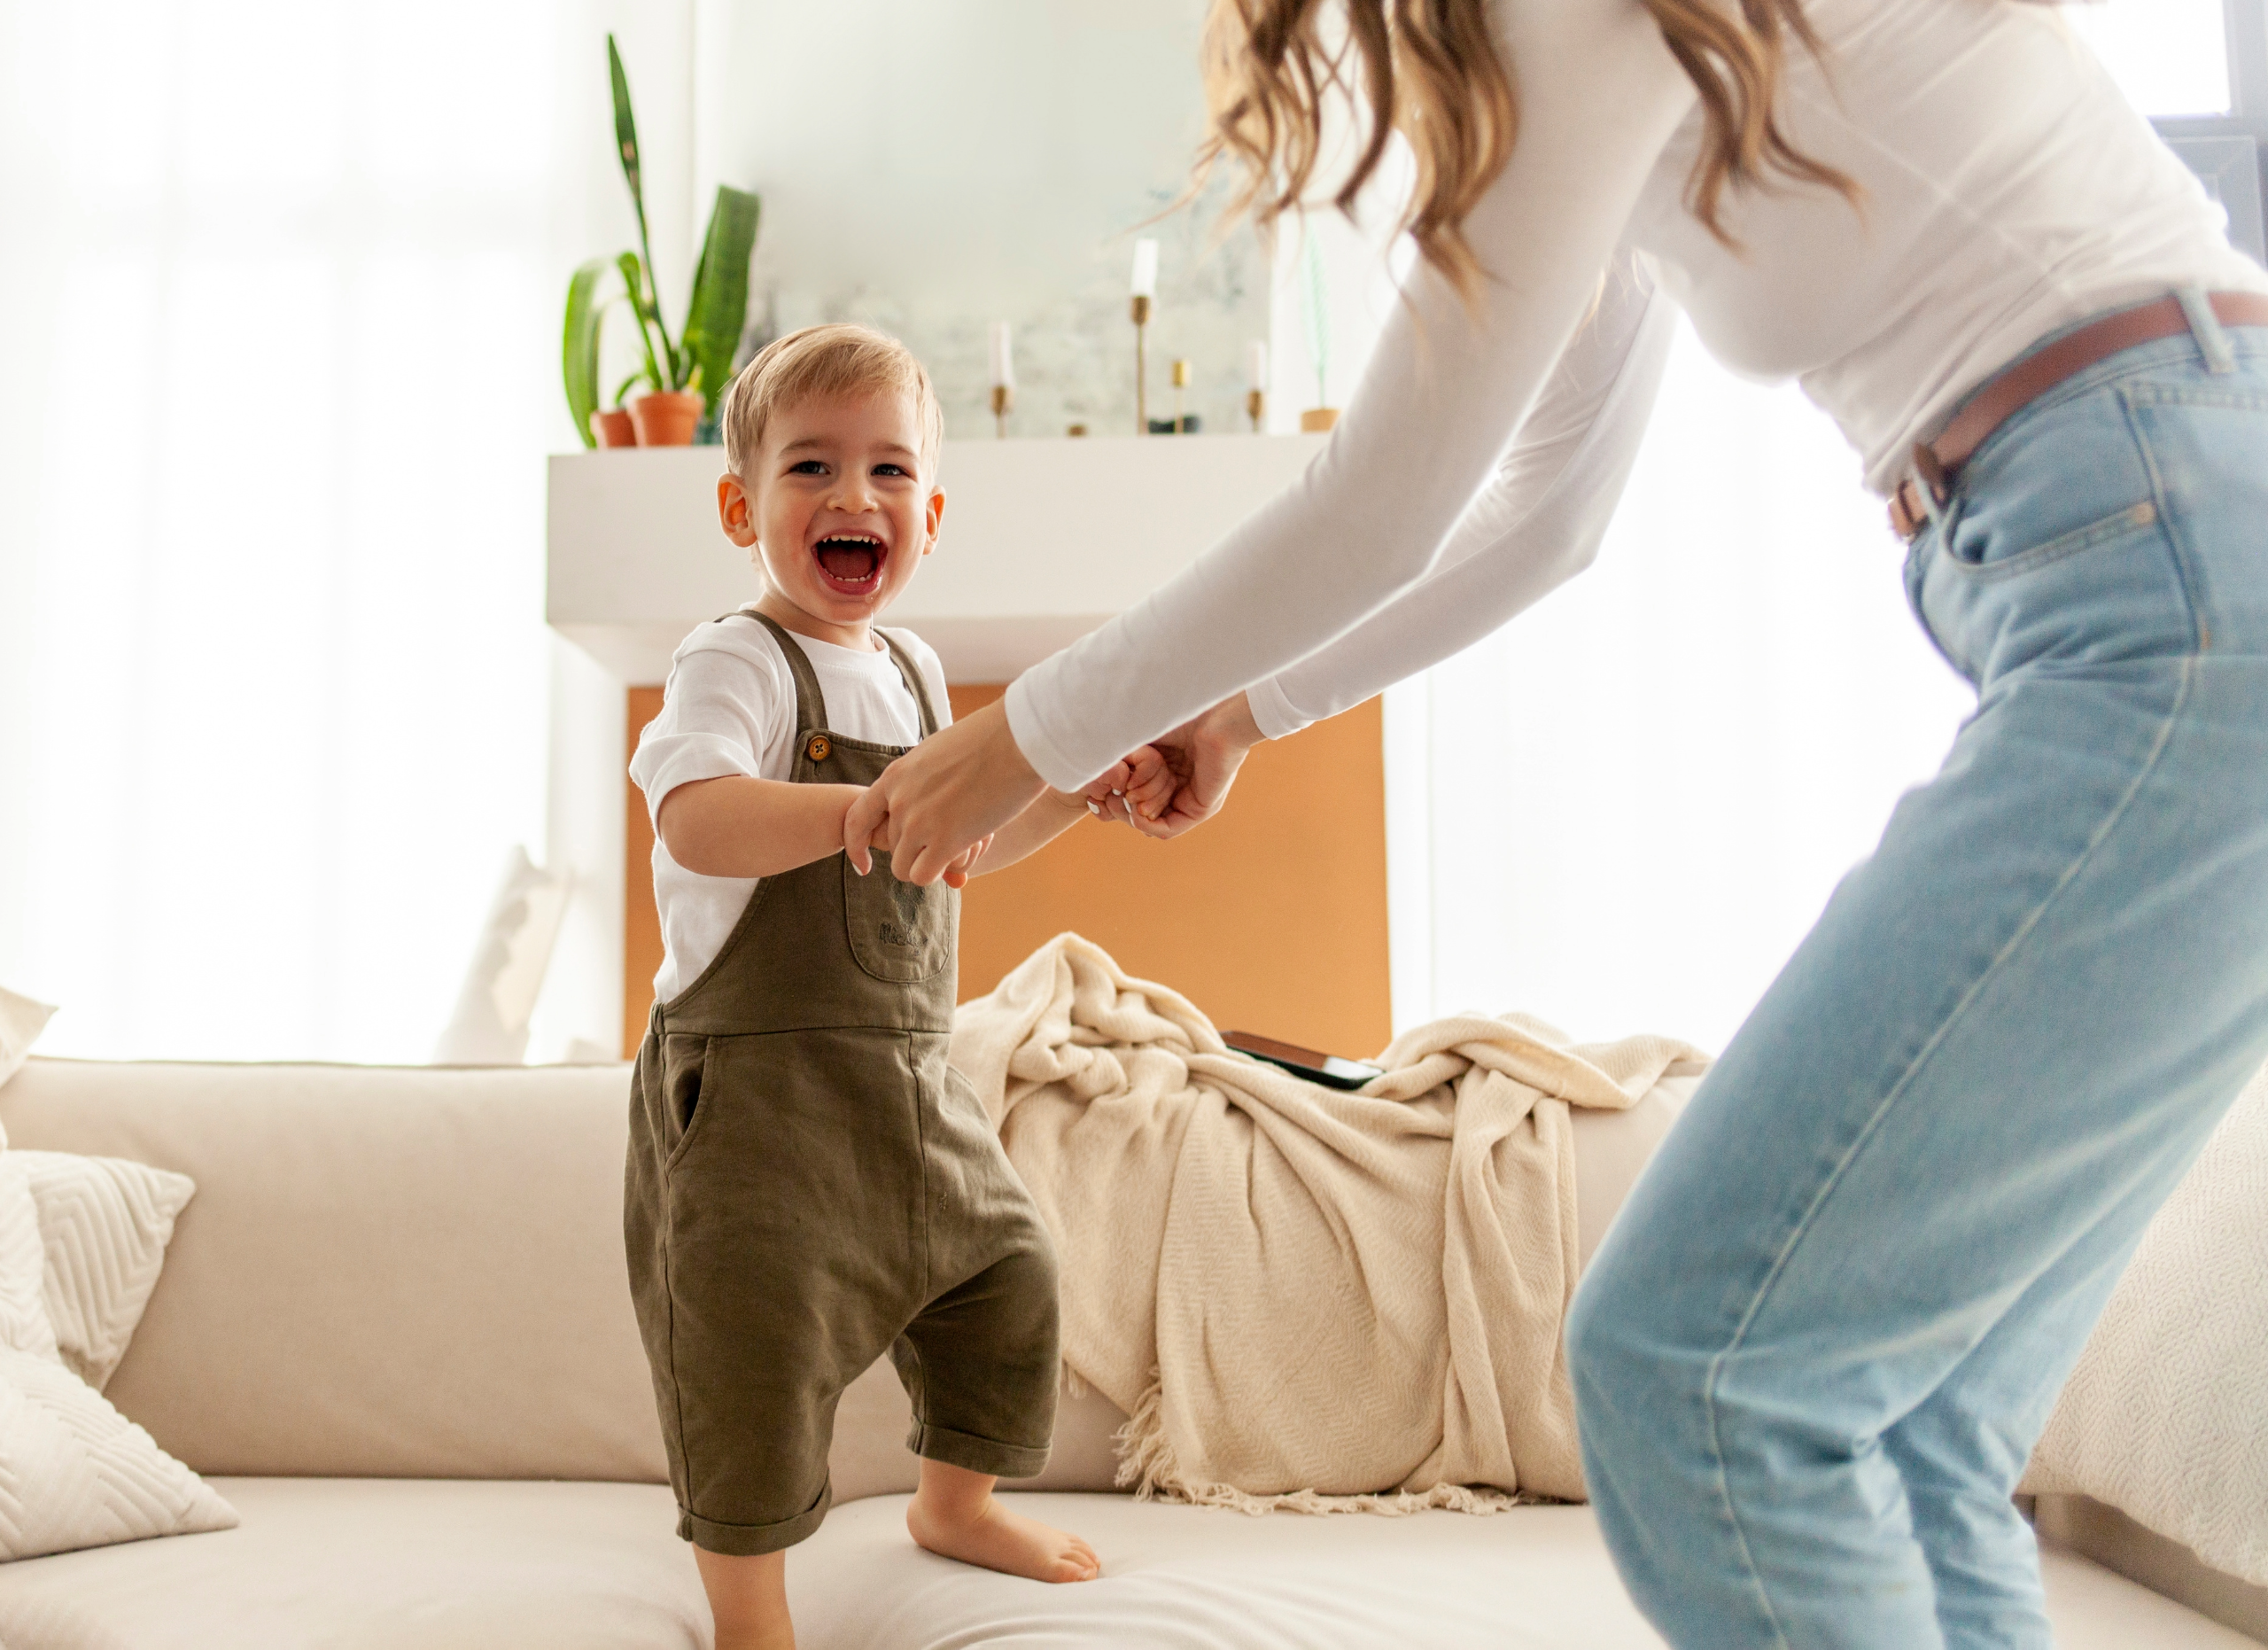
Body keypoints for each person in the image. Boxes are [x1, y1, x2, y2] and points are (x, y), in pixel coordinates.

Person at [841, 2, 2268, 1644]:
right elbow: (1548, 513)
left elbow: (1383, 498)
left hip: (2163, 571)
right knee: (1914, 1423)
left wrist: (1015, 740)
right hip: (2165, 537)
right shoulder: (1643, 55)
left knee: (1697, 1366)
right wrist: (1239, 713)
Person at [623, 324, 1164, 1650]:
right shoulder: (738, 660)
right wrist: (858, 806)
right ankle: (751, 1613)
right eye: (811, 466)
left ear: (930, 511)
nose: (852, 497)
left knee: (1012, 1278)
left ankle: (954, 1501)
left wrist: (1074, 798)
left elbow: (958, 847)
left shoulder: (919, 674)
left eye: (887, 470)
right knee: (748, 1365)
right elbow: (694, 818)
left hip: (909, 1088)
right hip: (757, 1104)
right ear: (742, 505)